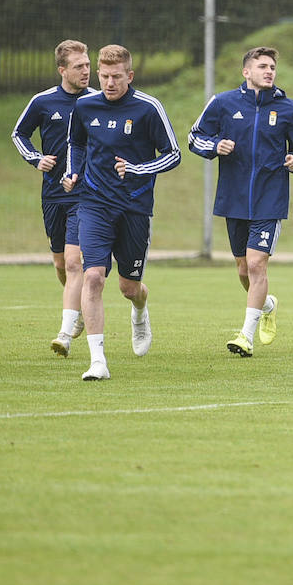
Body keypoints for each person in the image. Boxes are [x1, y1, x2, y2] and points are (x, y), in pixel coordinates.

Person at [62, 44, 181, 381]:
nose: (109, 83)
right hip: (94, 202)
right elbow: (77, 144)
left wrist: (138, 169)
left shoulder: (148, 108)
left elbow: (173, 154)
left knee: (129, 287)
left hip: (134, 207)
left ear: (130, 76)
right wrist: (72, 172)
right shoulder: (85, 106)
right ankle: (98, 360)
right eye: (104, 76)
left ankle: (140, 310)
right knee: (93, 276)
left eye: (116, 77)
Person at [188, 47, 293, 359]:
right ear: (247, 72)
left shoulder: (290, 109)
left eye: (272, 67)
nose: (269, 71)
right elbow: (194, 137)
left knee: (257, 264)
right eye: (262, 66)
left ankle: (246, 335)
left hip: (270, 199)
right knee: (243, 270)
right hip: (234, 198)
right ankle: (268, 305)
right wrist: (216, 145)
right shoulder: (223, 103)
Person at [11, 39, 93, 357]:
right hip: (52, 194)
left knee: (75, 263)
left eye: (88, 65)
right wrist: (36, 158)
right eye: (79, 67)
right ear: (62, 70)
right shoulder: (43, 101)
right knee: (61, 263)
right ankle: (80, 308)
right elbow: (19, 134)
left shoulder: (98, 101)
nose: (86, 71)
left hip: (86, 194)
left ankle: (65, 333)